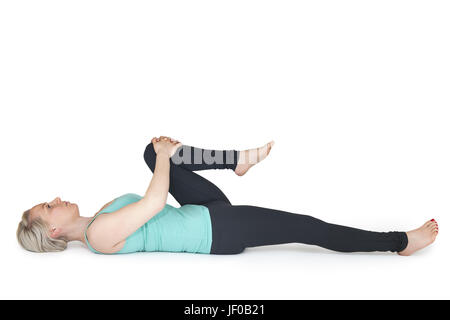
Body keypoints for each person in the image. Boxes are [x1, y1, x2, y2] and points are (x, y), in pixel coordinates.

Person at [17, 136, 438, 256]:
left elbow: (160, 195)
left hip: (204, 211)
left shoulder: (99, 216)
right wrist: (165, 158)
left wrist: (161, 156)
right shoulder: (100, 236)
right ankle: (399, 242)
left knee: (150, 150)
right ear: (53, 227)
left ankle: (238, 160)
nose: (56, 198)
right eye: (48, 205)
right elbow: (152, 203)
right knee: (310, 229)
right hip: (219, 232)